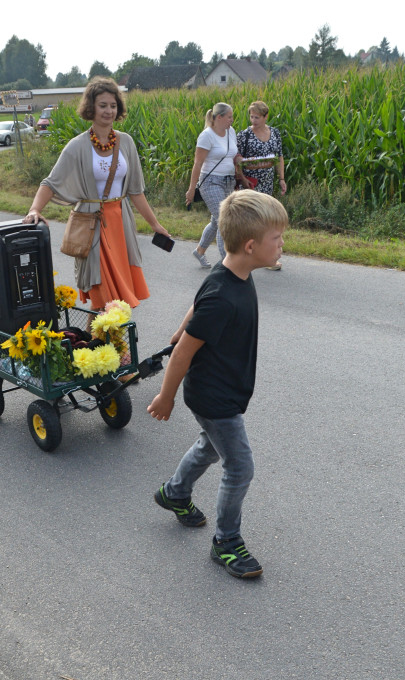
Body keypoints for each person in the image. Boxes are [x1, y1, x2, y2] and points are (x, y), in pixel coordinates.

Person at [147, 190, 287, 579]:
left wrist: (178, 331)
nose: (281, 245)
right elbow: (182, 355)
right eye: (276, 239)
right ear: (250, 245)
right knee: (240, 466)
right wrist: (165, 397)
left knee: (210, 447)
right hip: (214, 396)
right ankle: (226, 541)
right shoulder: (224, 295)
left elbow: (195, 310)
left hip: (226, 389)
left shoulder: (230, 272)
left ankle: (174, 492)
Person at [24, 76, 171, 310]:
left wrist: (155, 225)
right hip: (91, 223)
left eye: (113, 106)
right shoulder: (77, 146)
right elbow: (50, 183)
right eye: (103, 105)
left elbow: (136, 191)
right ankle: (108, 344)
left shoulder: (127, 143)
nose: (109, 111)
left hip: (120, 222)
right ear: (91, 108)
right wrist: (34, 209)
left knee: (114, 297)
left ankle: (96, 343)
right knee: (101, 292)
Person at [236, 100, 287, 270]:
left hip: (267, 181)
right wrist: (242, 179)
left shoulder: (275, 133)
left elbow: (279, 156)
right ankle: (246, 254)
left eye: (257, 117)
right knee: (251, 219)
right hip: (250, 182)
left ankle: (268, 257)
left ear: (266, 117)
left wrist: (281, 179)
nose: (253, 120)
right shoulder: (245, 135)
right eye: (251, 117)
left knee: (266, 218)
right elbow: (237, 160)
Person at [186, 102, 237, 268]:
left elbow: (233, 156)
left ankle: (200, 251)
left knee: (216, 221)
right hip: (210, 182)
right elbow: (198, 163)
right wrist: (192, 189)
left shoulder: (231, 132)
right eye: (229, 116)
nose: (232, 119)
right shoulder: (206, 135)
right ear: (219, 117)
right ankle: (227, 264)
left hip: (229, 181)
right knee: (224, 220)